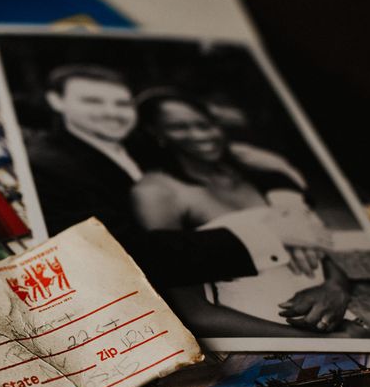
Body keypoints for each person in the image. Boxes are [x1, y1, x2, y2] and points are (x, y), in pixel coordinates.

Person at [27, 63, 327, 289]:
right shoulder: (48, 166)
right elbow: (124, 253)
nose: (111, 112)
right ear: (56, 101)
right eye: (93, 101)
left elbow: (242, 165)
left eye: (122, 103)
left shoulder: (141, 141)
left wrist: (286, 202)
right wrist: (271, 234)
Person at [129, 91, 359, 336]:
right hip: (261, 330)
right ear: (155, 134)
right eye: (179, 128)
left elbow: (313, 248)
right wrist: (323, 342)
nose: (200, 135)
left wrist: (335, 288)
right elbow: (194, 313)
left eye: (204, 124)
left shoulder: (255, 175)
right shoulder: (157, 192)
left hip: (333, 317)